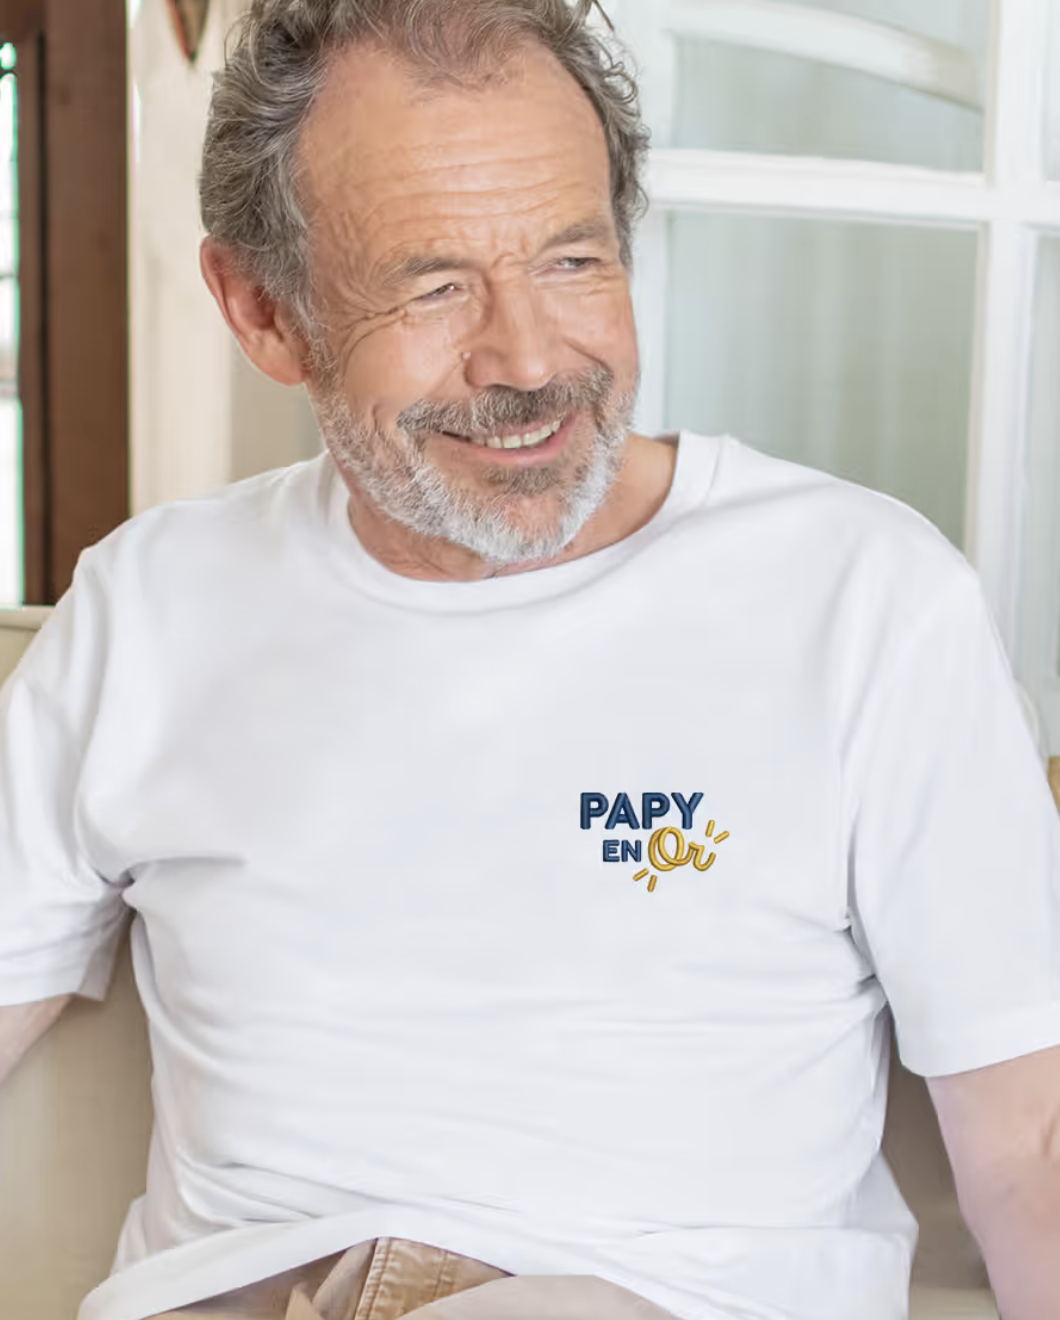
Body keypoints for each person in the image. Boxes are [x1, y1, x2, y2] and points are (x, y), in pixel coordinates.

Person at [1, 1, 1058, 1318]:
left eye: (574, 260)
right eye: (435, 286)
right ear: (266, 313)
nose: (532, 359)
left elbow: (1032, 1144)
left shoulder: (865, 599)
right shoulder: (148, 607)